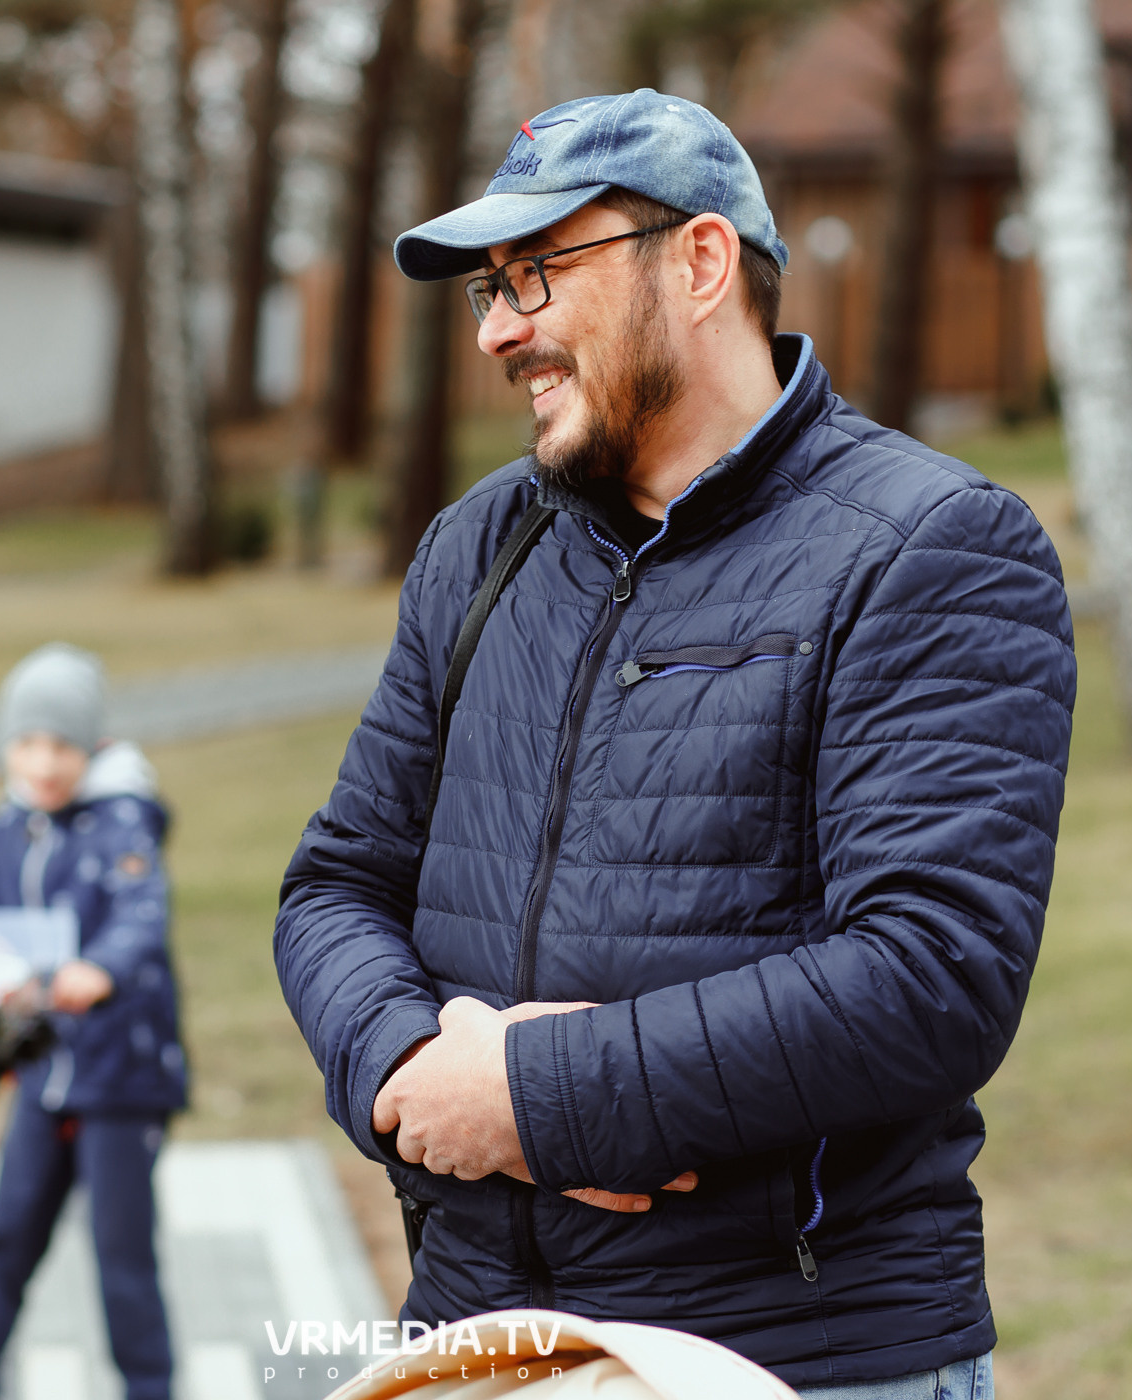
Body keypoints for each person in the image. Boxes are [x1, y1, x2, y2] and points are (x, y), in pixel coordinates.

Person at [275, 90, 1076, 1398]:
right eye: (488, 288)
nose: (497, 329)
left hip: (793, 1361)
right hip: (479, 1347)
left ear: (700, 263)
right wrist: (408, 1067)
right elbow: (337, 884)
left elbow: (934, 975)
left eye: (538, 273)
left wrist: (541, 1095)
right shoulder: (480, 547)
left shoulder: (928, 546)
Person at [0, 644, 188, 1400]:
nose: (43, 763)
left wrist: (99, 970)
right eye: (27, 743)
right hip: (42, 1069)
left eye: (60, 745)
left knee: (121, 1254)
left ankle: (149, 1386)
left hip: (119, 1074)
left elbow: (141, 916)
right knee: (8, 1235)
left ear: (91, 744)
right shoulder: (12, 822)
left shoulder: (123, 821)